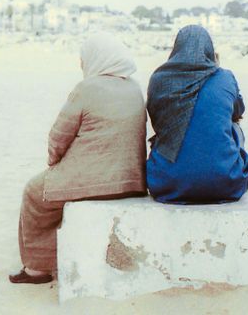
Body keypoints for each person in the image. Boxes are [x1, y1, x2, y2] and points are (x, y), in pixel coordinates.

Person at [9, 33, 147, 284]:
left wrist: (54, 164)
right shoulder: (135, 88)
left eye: (84, 59)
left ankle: (37, 269)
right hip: (132, 182)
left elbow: (58, 136)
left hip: (93, 181)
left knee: (34, 193)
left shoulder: (87, 88)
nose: (82, 65)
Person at [145, 25, 248, 204]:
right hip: (226, 183)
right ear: (209, 49)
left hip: (167, 184)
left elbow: (157, 121)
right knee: (233, 127)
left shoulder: (159, 79)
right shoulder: (224, 77)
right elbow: (238, 111)